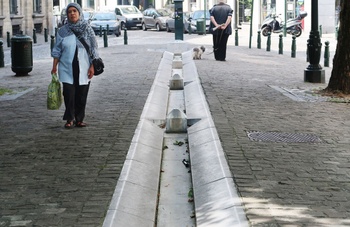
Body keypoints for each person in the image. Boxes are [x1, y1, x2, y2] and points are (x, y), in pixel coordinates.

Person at [51, 3, 99, 129]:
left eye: (74, 11)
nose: (72, 13)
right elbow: (57, 50)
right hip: (66, 67)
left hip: (84, 66)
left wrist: (92, 66)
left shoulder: (87, 29)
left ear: (79, 13)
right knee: (68, 94)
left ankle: (79, 119)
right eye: (69, 12)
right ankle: (69, 118)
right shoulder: (62, 31)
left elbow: (93, 48)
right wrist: (54, 67)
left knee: (82, 95)